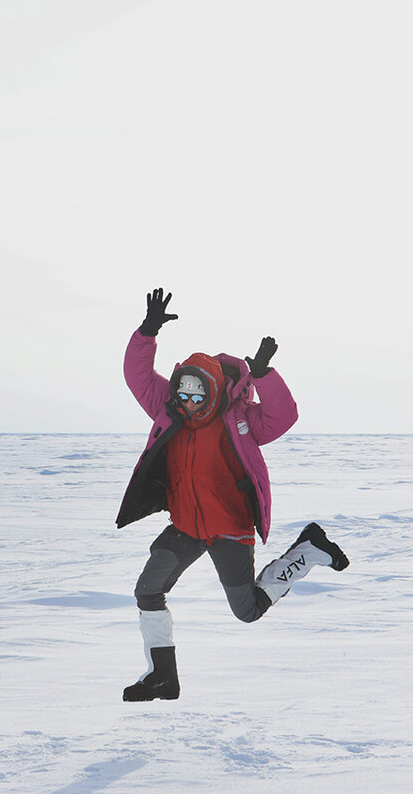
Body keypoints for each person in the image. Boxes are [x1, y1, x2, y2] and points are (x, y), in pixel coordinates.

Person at [116, 288, 349, 701]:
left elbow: (283, 416)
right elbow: (137, 376)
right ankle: (162, 677)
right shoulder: (168, 410)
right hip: (186, 526)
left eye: (196, 393)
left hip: (229, 529)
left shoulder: (239, 417)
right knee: (147, 591)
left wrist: (263, 376)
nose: (187, 402)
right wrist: (147, 333)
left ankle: (309, 550)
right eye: (181, 392)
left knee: (247, 611)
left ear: (211, 389)